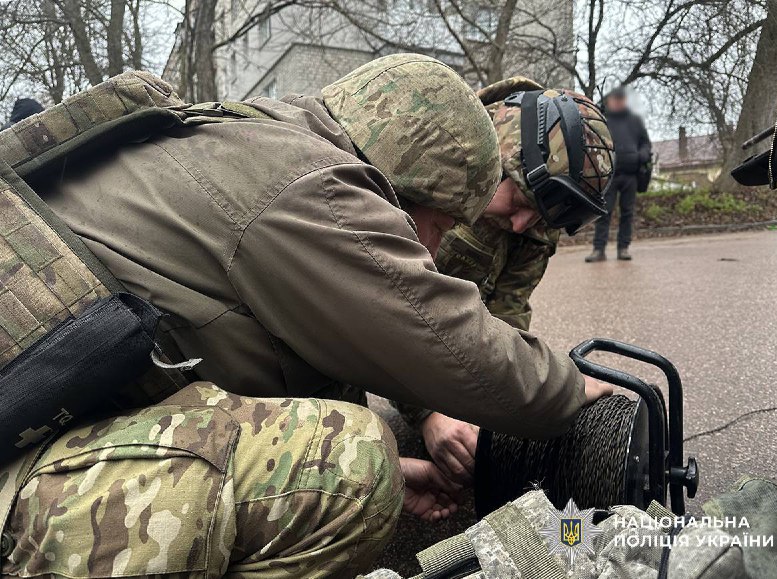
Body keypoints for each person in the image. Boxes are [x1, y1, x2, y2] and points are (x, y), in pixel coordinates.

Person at [0, 54, 610, 577]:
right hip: (17, 472)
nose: (430, 250)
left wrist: (397, 472)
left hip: (39, 431)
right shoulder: (310, 190)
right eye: (444, 224)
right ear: (413, 181)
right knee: (348, 464)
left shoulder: (260, 141)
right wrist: (571, 388)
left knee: (338, 444)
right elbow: (446, 341)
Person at [396, 78, 615, 485]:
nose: (520, 224)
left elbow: (507, 313)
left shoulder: (539, 206)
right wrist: (427, 415)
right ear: (491, 161)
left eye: (537, 216)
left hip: (442, 337)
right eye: (516, 202)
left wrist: (512, 396)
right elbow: (384, 305)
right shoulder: (424, 170)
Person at [586, 86, 651, 262]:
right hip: (609, 175)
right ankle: (599, 250)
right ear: (609, 102)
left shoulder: (635, 121)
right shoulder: (602, 120)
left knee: (627, 213)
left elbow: (646, 144)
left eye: (621, 99)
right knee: (603, 213)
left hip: (631, 175)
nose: (618, 102)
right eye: (615, 99)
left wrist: (641, 156)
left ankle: (623, 248)